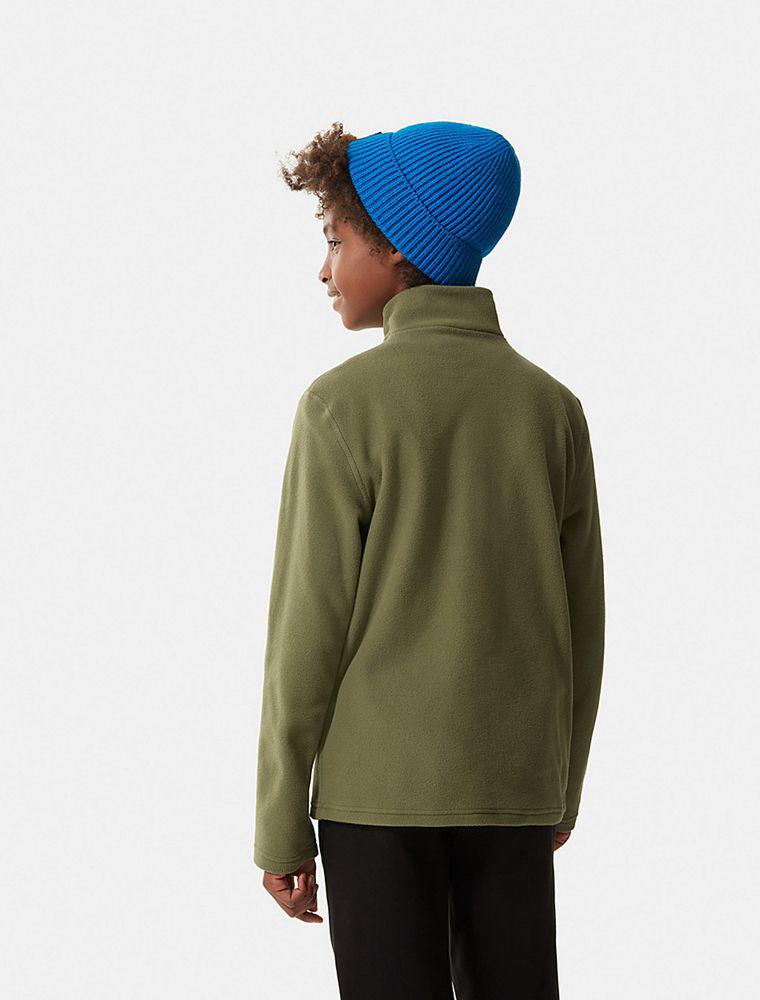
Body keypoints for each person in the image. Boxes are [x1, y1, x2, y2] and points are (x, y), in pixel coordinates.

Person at [253, 120, 606, 999]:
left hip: (374, 801)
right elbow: (583, 624)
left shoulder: (341, 409)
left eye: (335, 240)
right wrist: (560, 788)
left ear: (396, 248)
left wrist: (279, 823)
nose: (324, 269)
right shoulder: (551, 410)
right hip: (514, 793)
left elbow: (305, 637)